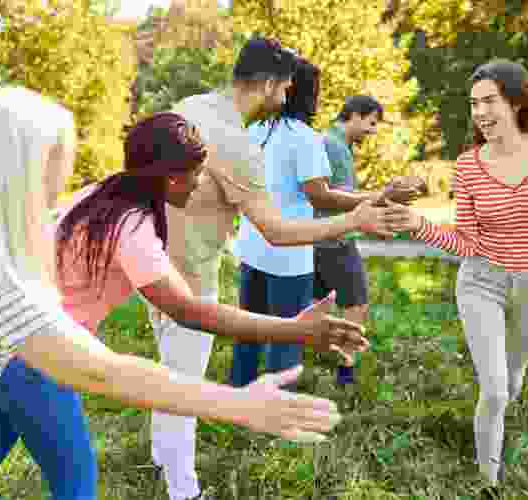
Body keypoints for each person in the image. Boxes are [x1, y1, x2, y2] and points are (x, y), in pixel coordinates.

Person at [0, 86, 347, 499]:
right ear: (171, 178)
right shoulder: (130, 229)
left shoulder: (93, 195)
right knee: (77, 481)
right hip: (37, 361)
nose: (203, 182)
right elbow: (181, 317)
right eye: (197, 174)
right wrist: (291, 334)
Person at [147, 36, 394, 500]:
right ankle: (185, 489)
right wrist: (354, 219)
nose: (285, 98)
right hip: (190, 280)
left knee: (167, 372)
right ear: (267, 84)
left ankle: (162, 456)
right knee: (183, 387)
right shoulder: (236, 143)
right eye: (283, 89)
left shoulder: (191, 106)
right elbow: (277, 231)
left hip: (154, 265)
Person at [383, 59, 528, 496]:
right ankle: (487, 483)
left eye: (489, 101)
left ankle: (495, 439)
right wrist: (417, 224)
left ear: (516, 100)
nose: (480, 113)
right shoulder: (469, 165)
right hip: (481, 282)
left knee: (511, 382)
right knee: (493, 389)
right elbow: (466, 244)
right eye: (474, 105)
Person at [229, 62, 411, 389]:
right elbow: (320, 197)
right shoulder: (305, 138)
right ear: (308, 95)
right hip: (289, 256)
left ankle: (238, 394)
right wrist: (377, 198)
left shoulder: (253, 132)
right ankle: (276, 410)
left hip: (252, 247)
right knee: (285, 337)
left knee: (249, 330)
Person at [312, 95, 395, 386]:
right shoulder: (334, 145)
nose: (372, 131)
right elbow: (339, 199)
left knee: (317, 303)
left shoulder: (331, 141)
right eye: (371, 123)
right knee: (355, 302)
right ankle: (345, 372)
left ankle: (309, 360)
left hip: (318, 238)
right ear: (355, 115)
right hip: (335, 239)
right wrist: (382, 199)